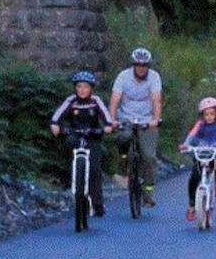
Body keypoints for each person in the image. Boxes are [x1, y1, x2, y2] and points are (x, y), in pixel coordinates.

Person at [50, 70, 114, 217]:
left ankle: (98, 203)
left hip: (93, 136)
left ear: (91, 88)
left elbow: (107, 118)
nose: (82, 90)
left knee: (95, 170)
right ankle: (70, 182)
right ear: (75, 88)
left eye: (85, 87)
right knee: (68, 149)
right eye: (79, 87)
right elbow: (57, 116)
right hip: (74, 134)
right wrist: (55, 125)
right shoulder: (71, 101)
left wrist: (108, 126)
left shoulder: (96, 101)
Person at [109, 46, 162, 207]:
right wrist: (112, 119)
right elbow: (114, 100)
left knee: (149, 157)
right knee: (123, 137)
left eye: (144, 65)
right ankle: (123, 159)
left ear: (148, 66)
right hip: (126, 118)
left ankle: (148, 192)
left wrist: (156, 119)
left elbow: (156, 101)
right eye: (138, 65)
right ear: (133, 65)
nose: (141, 68)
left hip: (147, 119)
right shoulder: (123, 77)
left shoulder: (154, 77)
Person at [178, 96, 216, 222]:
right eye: (206, 114)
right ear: (202, 115)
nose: (209, 117)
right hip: (201, 153)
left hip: (214, 152)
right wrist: (186, 145)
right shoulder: (199, 125)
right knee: (193, 179)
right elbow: (191, 135)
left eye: (212, 114)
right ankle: (192, 206)